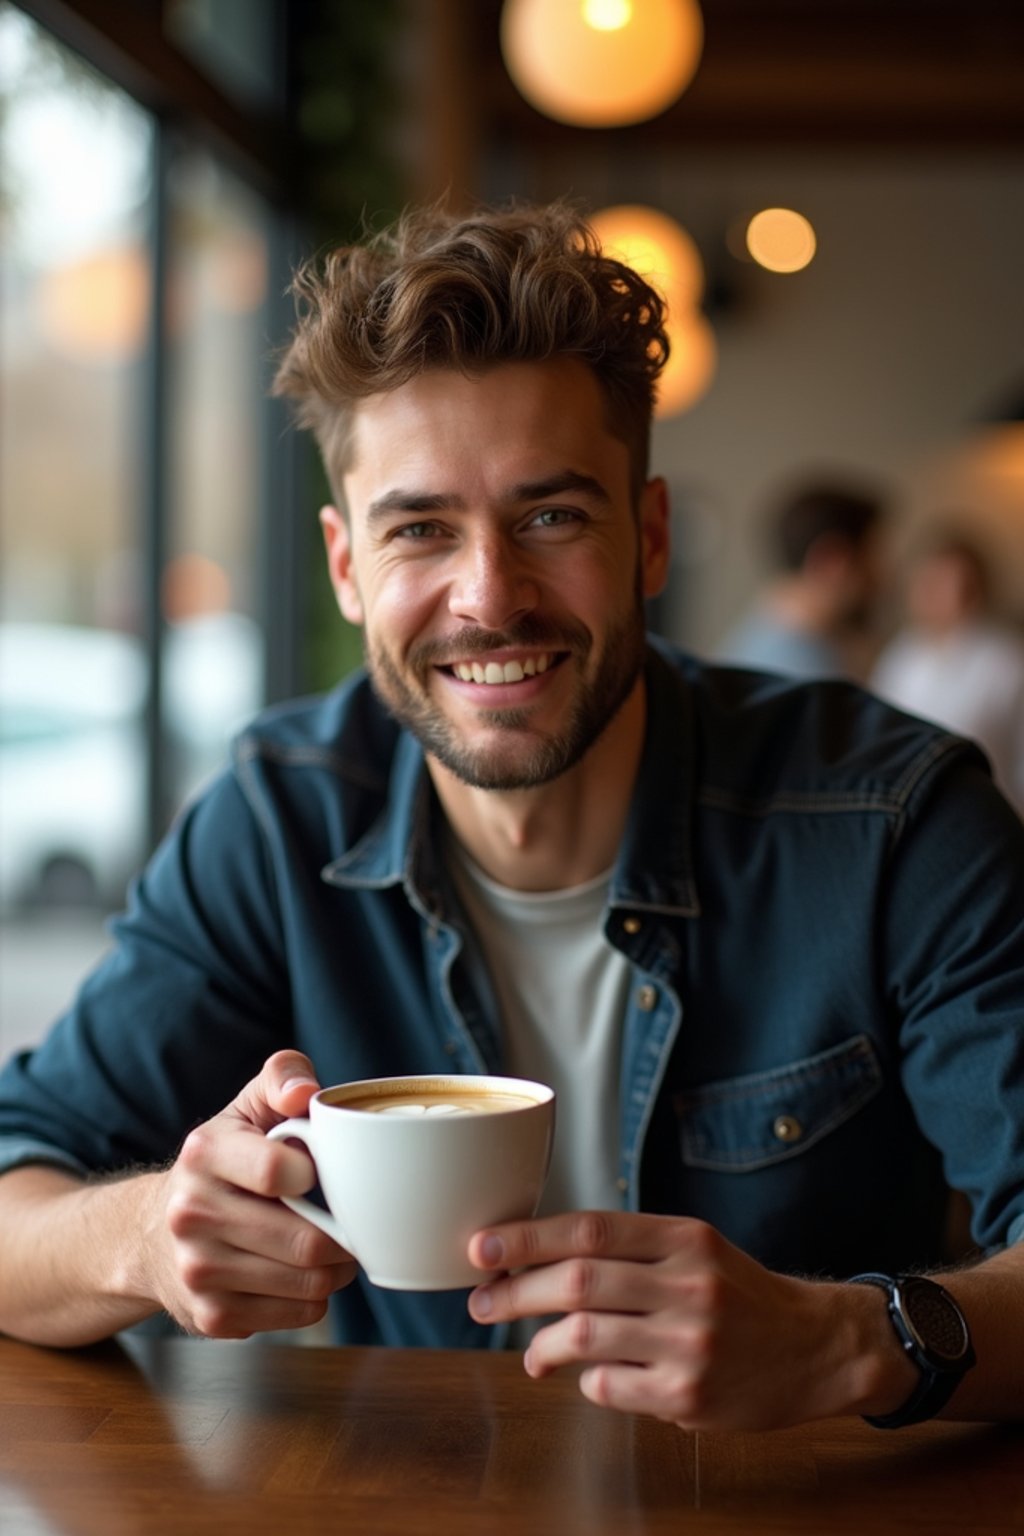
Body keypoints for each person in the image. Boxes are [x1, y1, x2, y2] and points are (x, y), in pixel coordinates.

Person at [1, 201, 1023, 1436]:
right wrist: (148, 1239)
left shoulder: (892, 820)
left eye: (551, 516)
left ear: (646, 537)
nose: (488, 598)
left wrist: (851, 1343)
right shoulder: (278, 820)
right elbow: (20, 1188)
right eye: (420, 529)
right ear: (345, 568)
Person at [871, 530, 1024, 817]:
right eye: (927, 582)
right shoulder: (901, 653)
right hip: (913, 815)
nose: (932, 593)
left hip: (990, 815)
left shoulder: (1008, 659)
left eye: (946, 583)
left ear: (975, 589)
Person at [717, 480, 886, 680]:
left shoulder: (765, 628)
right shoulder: (800, 673)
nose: (883, 575)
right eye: (874, 556)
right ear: (832, 561)